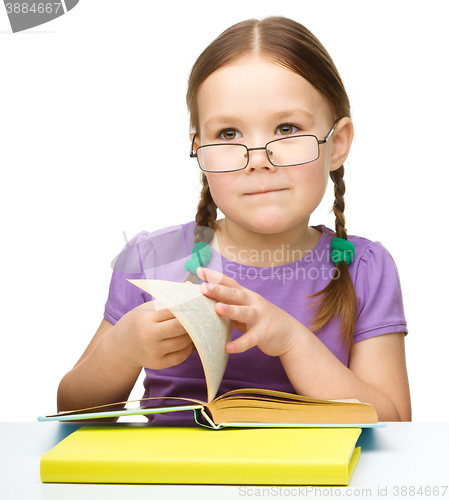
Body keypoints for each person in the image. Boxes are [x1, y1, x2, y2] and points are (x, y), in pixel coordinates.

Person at [57, 17, 411, 422]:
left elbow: (394, 425)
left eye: (286, 128)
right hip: (173, 483)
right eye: (228, 134)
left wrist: (292, 341)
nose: (258, 159)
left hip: (310, 486)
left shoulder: (363, 267)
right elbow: (71, 412)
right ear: (200, 151)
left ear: (338, 144)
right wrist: (120, 350)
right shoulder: (154, 257)